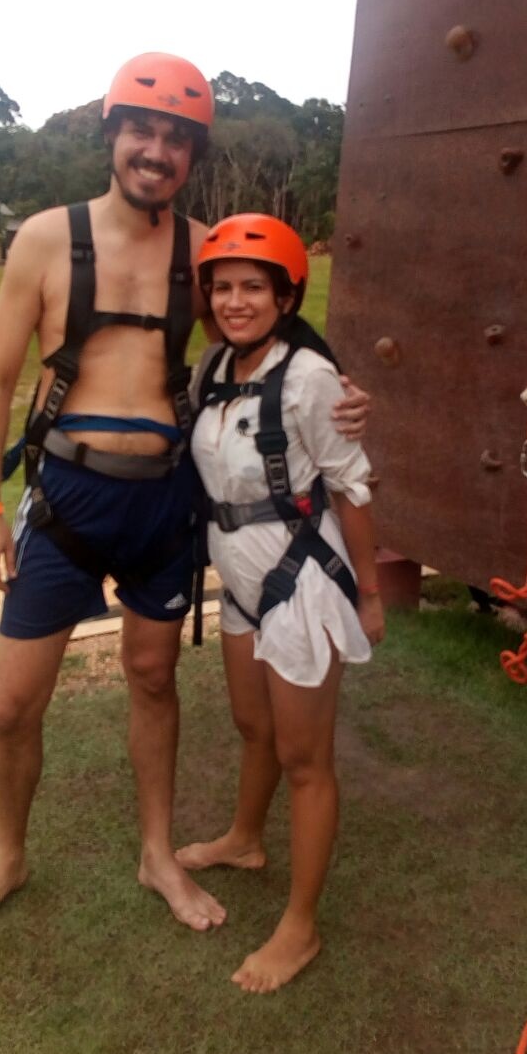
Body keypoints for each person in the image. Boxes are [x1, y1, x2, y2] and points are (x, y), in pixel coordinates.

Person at [0, 54, 370, 943]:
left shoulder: (206, 248)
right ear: (112, 133)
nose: (157, 149)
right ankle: (8, 856)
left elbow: (268, 335)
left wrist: (345, 391)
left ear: (192, 155)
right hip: (64, 498)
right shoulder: (46, 239)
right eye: (142, 129)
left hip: (162, 504)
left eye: (178, 138)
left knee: (152, 677)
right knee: (14, 702)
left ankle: (157, 853)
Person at [178, 213, 385, 992]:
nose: (235, 301)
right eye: (223, 287)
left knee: (305, 760)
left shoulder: (308, 378)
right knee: (251, 724)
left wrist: (368, 593)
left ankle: (300, 927)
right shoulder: (214, 370)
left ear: (286, 293)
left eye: (253, 288)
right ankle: (243, 837)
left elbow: (352, 485)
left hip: (300, 583)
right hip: (237, 579)